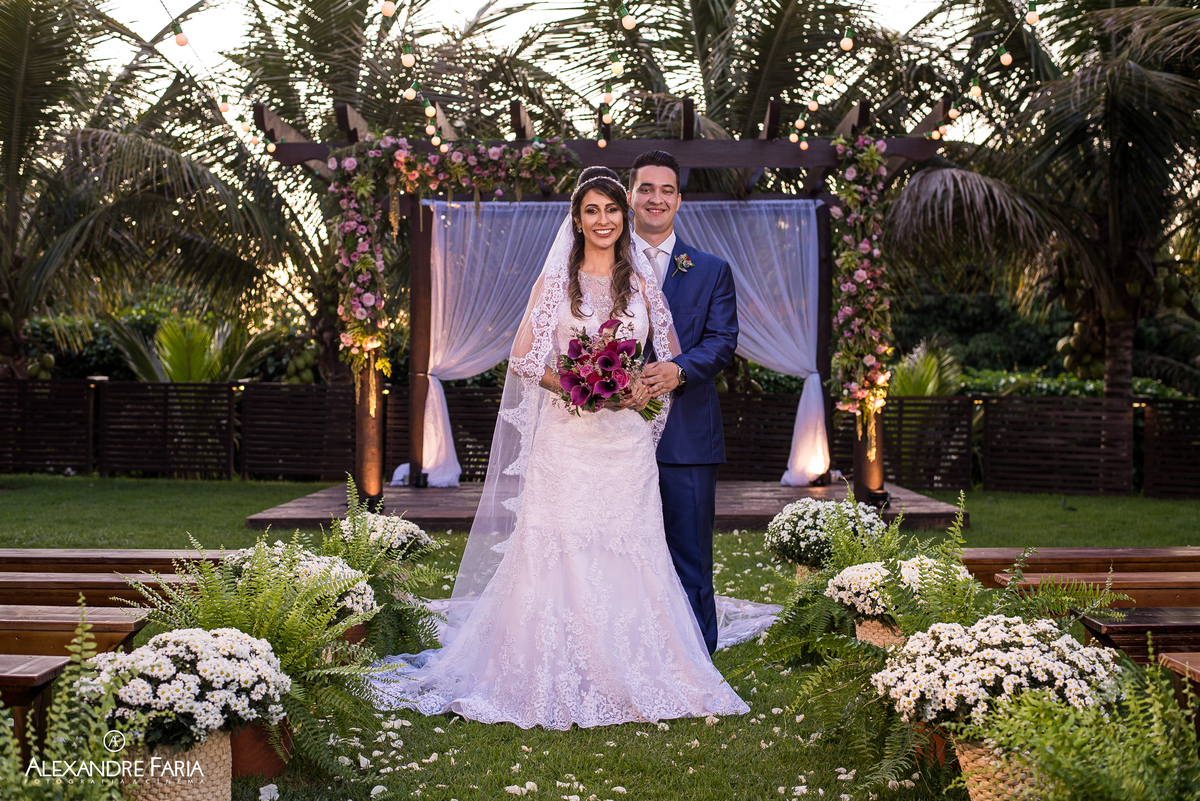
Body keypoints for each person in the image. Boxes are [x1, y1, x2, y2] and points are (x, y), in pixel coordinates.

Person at [375, 167, 749, 729]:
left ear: (624, 218)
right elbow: (523, 358)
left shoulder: (642, 282)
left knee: (631, 547)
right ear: (577, 219)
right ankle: (553, 665)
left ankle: (634, 667)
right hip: (568, 438)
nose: (603, 220)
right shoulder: (558, 281)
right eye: (592, 210)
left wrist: (639, 387)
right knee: (563, 546)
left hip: (625, 443)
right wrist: (578, 386)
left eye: (612, 210)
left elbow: (668, 353)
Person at [631, 150, 739, 655]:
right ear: (630, 196)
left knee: (691, 552)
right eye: (646, 188)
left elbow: (722, 340)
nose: (656, 198)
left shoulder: (712, 270)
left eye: (666, 190)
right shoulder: (603, 264)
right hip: (612, 434)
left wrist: (679, 370)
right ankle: (630, 649)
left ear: (679, 200)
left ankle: (697, 655)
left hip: (688, 435)